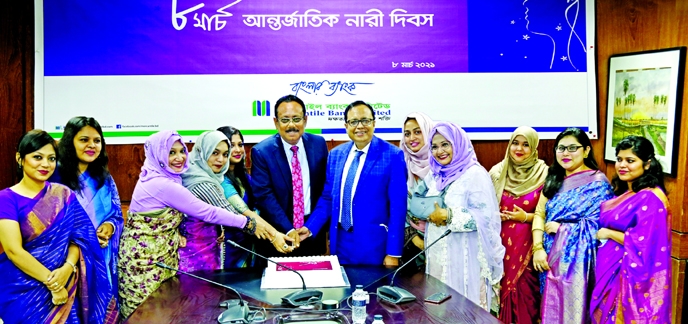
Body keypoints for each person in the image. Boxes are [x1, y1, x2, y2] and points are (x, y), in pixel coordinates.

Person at [117, 130, 279, 318]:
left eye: (182, 151)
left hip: (162, 256)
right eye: (171, 152)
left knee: (168, 313)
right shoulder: (162, 183)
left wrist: (174, 230)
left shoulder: (170, 177)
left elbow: (163, 216)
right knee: (148, 315)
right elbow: (206, 211)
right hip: (146, 263)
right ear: (157, 154)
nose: (179, 158)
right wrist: (247, 224)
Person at [0, 130, 117, 323]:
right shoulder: (6, 199)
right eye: (37, 157)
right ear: (20, 159)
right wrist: (53, 284)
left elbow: (79, 239)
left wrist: (67, 268)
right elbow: (14, 251)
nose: (45, 164)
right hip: (22, 291)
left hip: (66, 285)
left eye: (51, 158)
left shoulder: (64, 194)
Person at [298, 101, 407, 266]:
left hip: (374, 246)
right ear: (346, 125)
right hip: (340, 242)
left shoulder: (392, 156)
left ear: (374, 123)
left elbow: (398, 209)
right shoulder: (335, 155)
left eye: (365, 120)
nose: (360, 126)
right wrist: (311, 227)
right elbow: (328, 198)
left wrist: (393, 253)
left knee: (372, 291)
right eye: (354, 122)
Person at [531, 127, 614, 324]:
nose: (565, 153)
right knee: (551, 308)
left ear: (586, 150)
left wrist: (563, 229)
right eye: (561, 148)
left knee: (573, 312)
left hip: (579, 263)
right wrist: (538, 248)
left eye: (572, 148)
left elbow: (600, 228)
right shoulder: (553, 179)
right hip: (549, 259)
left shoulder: (598, 183)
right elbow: (539, 214)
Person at [179, 131, 290, 272]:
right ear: (203, 151)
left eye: (225, 154)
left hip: (218, 246)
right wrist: (274, 236)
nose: (221, 159)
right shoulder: (202, 183)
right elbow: (232, 213)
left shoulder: (217, 177)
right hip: (198, 254)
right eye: (215, 153)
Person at [422, 121, 504, 312]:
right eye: (434, 146)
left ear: (457, 144)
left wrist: (450, 215)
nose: (439, 151)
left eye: (445, 144)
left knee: (464, 309)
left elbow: (486, 217)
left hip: (465, 255)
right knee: (439, 310)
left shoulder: (474, 174)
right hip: (439, 253)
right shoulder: (435, 175)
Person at [590, 135, 671, 323]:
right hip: (609, 268)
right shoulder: (629, 192)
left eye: (630, 160)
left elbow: (644, 242)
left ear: (647, 164)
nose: (622, 165)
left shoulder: (651, 198)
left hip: (627, 276)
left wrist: (609, 233)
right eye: (619, 159)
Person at [51, 116, 123, 314]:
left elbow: (116, 214)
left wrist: (109, 228)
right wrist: (87, 239)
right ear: (69, 142)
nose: (92, 145)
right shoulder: (54, 177)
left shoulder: (104, 178)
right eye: (84, 140)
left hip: (101, 256)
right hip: (66, 261)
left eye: (97, 140)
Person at [251, 95, 329, 259]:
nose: (291, 125)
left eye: (296, 119)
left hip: (312, 232)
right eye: (285, 119)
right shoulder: (262, 152)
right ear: (276, 122)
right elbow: (264, 195)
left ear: (305, 120)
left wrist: (311, 226)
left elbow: (325, 190)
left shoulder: (319, 144)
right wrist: (289, 229)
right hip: (279, 235)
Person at [488, 126, 548, 323]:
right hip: (499, 244)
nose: (519, 149)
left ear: (534, 148)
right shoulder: (497, 172)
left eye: (525, 145)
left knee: (526, 295)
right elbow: (484, 209)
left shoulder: (544, 173)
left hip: (530, 244)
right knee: (501, 289)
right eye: (515, 143)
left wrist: (524, 217)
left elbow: (549, 214)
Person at [217, 126, 258, 268]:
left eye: (240, 144)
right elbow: (242, 209)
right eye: (231, 145)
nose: (237, 150)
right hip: (229, 245)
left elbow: (259, 202)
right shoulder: (220, 180)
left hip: (249, 242)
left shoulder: (245, 177)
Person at [400, 112, 434, 267]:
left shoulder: (444, 165)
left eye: (418, 132)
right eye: (407, 134)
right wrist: (415, 239)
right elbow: (395, 206)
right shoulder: (402, 164)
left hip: (442, 244)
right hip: (410, 245)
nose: (411, 138)